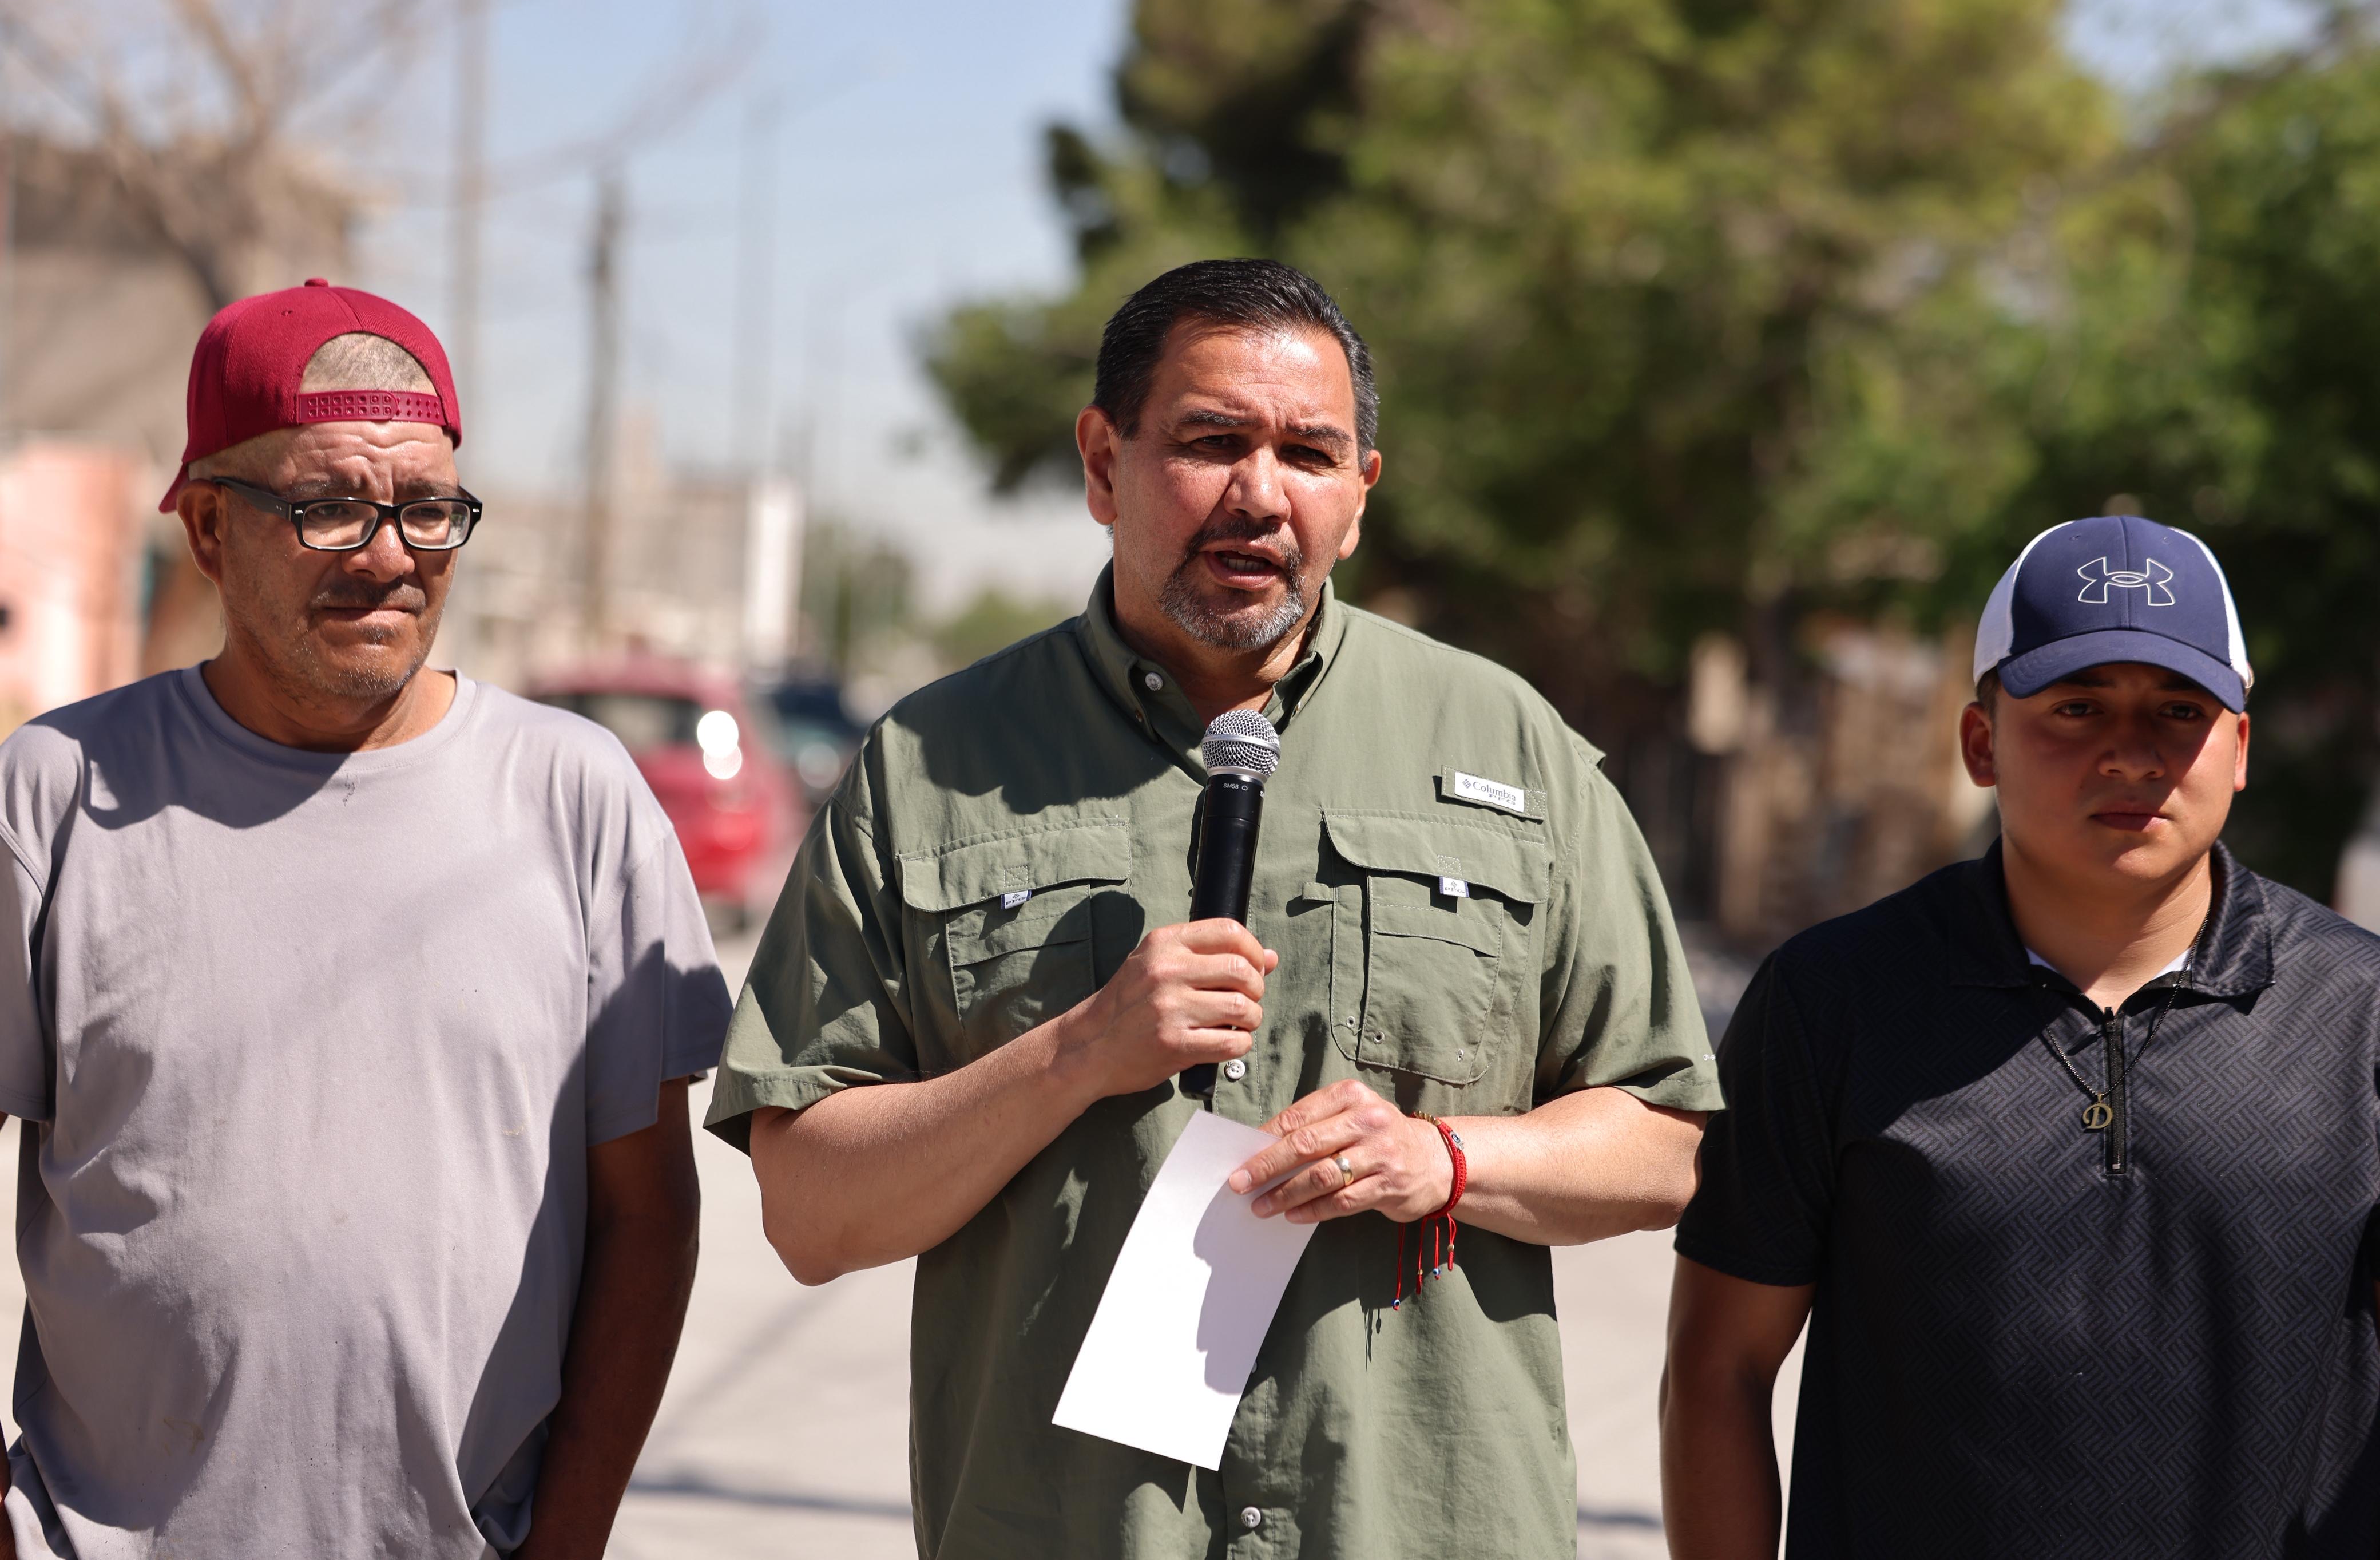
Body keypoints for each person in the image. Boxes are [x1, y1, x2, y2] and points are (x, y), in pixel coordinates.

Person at [707, 258, 1722, 1557]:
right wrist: (1076, 1051)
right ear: (1101, 462)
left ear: (1360, 494)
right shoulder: (928, 767)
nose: (1259, 493)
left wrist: (1448, 1158)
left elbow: (1661, 1142)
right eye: (1209, 441)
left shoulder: (1510, 748)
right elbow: (810, 1210)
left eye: (1308, 451)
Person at [0, 279, 731, 1558]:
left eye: (428, 508)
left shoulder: (576, 797)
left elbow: (647, 1213)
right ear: (213, 530)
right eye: (330, 507)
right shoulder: (56, 792)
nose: (392, 555)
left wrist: (565, 1543)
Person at [1661, 514, 2380, 1556]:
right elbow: (1719, 1371)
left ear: (2240, 745)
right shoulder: (1835, 1001)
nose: (2132, 752)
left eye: (2180, 709)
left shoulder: (2358, 1017)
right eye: (2078, 707)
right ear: (1981, 742)